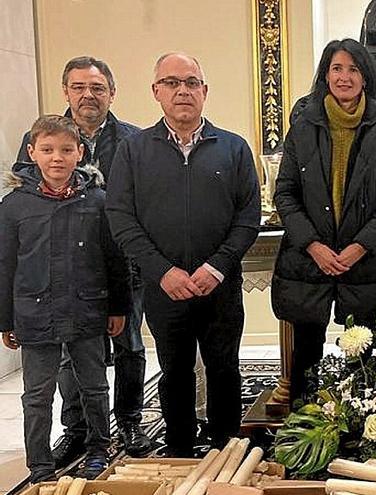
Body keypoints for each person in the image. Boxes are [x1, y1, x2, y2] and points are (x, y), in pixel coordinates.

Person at [105, 53, 261, 457]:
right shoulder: (133, 150)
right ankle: (178, 449)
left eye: (191, 82)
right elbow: (121, 218)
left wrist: (217, 266)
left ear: (205, 92)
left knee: (224, 368)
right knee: (174, 371)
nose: (183, 91)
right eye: (172, 83)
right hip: (164, 287)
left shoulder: (234, 148)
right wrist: (162, 272)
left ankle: (227, 447)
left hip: (220, 285)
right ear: (156, 92)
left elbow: (248, 217)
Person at [16, 56, 150, 464]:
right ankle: (77, 429)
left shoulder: (135, 140)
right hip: (63, 272)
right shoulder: (42, 136)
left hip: (121, 263)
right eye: (78, 87)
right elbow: (27, 191)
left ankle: (128, 419)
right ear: (66, 92)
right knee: (69, 354)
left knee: (129, 345)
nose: (88, 95)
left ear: (112, 92)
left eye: (97, 87)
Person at [271, 39, 376, 402]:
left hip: (365, 265)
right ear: (325, 75)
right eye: (337, 68)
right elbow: (284, 193)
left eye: (353, 69)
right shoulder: (302, 125)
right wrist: (313, 245)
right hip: (308, 262)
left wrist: (359, 247)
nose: (344, 76)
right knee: (305, 364)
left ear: (365, 77)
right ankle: (304, 438)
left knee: (365, 365)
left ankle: (360, 442)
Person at [1, 115, 131, 481]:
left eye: (65, 150)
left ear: (80, 153)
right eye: (47, 150)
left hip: (87, 309)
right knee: (37, 396)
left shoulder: (99, 202)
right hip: (35, 312)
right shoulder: (14, 207)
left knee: (94, 386)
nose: (56, 158)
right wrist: (5, 320)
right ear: (32, 153)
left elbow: (114, 259)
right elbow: (5, 265)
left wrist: (118, 306)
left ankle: (98, 448)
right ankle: (40, 465)